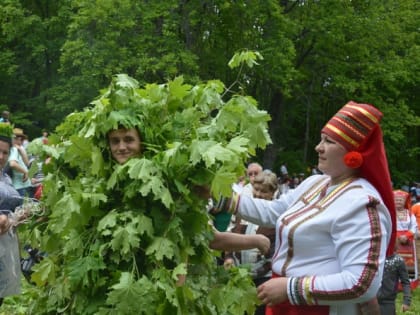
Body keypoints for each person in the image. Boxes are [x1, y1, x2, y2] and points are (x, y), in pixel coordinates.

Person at [223, 101, 396, 314]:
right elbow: (274, 211)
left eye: (329, 141)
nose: (318, 147)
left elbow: (362, 282)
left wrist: (290, 288)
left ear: (353, 153)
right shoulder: (316, 183)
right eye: (321, 139)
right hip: (284, 301)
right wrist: (223, 198)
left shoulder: (362, 203)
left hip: (319, 307)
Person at [108, 127, 270, 256]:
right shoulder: (103, 185)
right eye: (115, 141)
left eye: (129, 140)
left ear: (142, 143)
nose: (121, 147)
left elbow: (210, 238)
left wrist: (255, 240)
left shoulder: (168, 182)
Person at [224, 169, 277, 315]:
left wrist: (251, 272)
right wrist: (228, 257)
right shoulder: (243, 211)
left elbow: (275, 255)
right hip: (237, 276)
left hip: (263, 280)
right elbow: (230, 234)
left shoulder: (277, 218)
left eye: (264, 191)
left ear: (273, 192)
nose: (258, 194)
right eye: (256, 189)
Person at [0, 123, 25, 307]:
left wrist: (19, 216)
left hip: (4, 245)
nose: (1, 157)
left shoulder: (6, 178)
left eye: (5, 153)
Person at [377, 242, 411, 315]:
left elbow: (405, 282)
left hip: (388, 302)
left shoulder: (398, 260)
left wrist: (406, 301)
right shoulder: (372, 258)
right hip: (370, 301)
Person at [8, 128, 32, 197]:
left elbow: (27, 164)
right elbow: (12, 164)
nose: (21, 142)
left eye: (22, 139)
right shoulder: (13, 149)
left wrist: (21, 151)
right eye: (19, 139)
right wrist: (25, 172)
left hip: (21, 186)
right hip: (20, 187)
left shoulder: (17, 149)